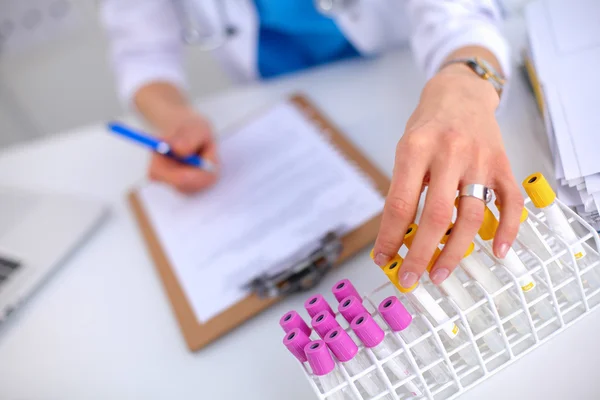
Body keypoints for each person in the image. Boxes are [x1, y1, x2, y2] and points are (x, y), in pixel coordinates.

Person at [100, 0, 523, 288]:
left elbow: (459, 12)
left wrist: (465, 81)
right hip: (280, 102)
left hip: (403, 72)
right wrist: (175, 117)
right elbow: (141, 54)